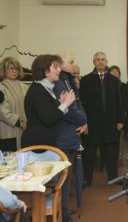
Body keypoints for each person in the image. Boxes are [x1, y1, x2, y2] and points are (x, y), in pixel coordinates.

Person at [80, 52, 124, 186]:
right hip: (91, 124)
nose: (100, 62)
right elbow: (82, 104)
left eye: (102, 60)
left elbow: (119, 102)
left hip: (110, 124)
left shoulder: (114, 80)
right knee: (89, 154)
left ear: (106, 62)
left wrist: (120, 120)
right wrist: (84, 123)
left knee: (111, 153)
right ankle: (87, 179)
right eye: (97, 60)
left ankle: (113, 177)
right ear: (93, 62)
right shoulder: (86, 80)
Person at [53, 53, 87, 221]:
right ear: (60, 63)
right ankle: (60, 211)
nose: (74, 65)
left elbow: (77, 104)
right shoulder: (60, 84)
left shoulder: (67, 80)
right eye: (71, 62)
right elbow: (69, 110)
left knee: (67, 177)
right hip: (64, 136)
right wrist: (82, 120)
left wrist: (83, 119)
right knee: (62, 178)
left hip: (70, 135)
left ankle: (64, 208)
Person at [21, 55, 76, 147]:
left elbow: (50, 113)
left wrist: (60, 103)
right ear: (46, 71)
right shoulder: (38, 90)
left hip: (45, 143)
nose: (59, 70)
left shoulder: (44, 88)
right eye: (55, 67)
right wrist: (65, 104)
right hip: (38, 145)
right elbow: (49, 119)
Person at [0, 57, 29, 151]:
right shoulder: (1, 88)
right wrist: (20, 123)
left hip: (26, 130)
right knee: (9, 162)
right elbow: (3, 112)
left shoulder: (25, 87)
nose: (14, 71)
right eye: (10, 68)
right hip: (8, 132)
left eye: (16, 68)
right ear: (4, 70)